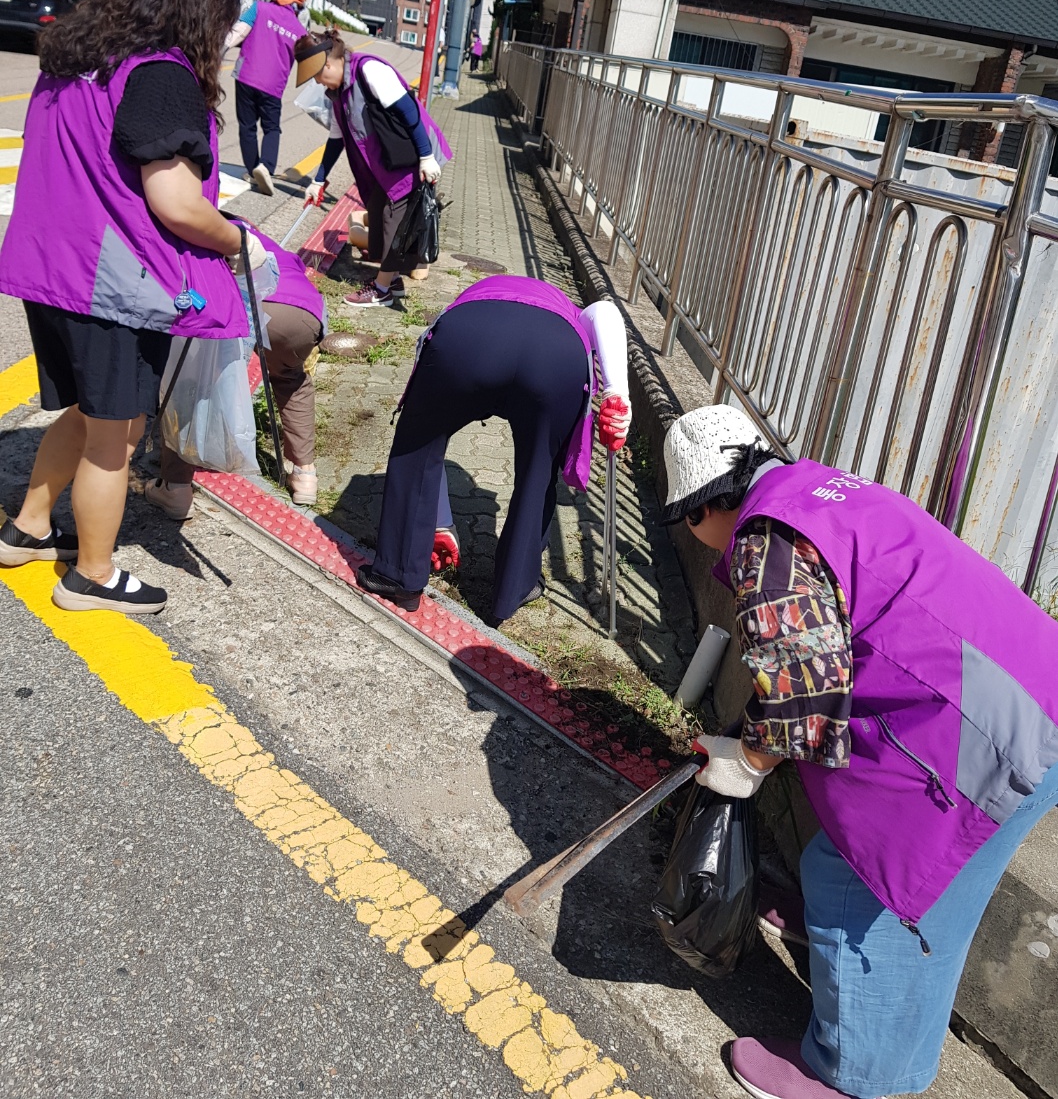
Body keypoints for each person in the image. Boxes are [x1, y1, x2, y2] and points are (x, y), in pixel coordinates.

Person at [659, 403, 1058, 1099]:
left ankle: (853, 1073)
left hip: (988, 731)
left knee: (862, 882)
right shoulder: (817, 489)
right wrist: (753, 735)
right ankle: (842, 955)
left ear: (700, 511)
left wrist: (747, 763)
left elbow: (805, 695)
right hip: (1030, 686)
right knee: (871, 866)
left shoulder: (764, 542)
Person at [0, 0, 265, 614]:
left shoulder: (77, 59)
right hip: (109, 284)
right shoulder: (161, 74)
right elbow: (176, 204)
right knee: (114, 435)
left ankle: (29, 527)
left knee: (90, 412)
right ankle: (92, 575)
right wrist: (238, 240)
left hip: (49, 269)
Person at [356, 274, 632, 623]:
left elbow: (423, 361)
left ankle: (400, 576)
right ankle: (514, 589)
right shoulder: (572, 310)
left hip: (469, 338)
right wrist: (617, 392)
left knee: (419, 444)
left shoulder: (471, 298)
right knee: (538, 473)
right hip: (556, 356)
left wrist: (440, 522)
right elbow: (605, 311)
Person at [146, 221, 326, 512]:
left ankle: (175, 488)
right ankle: (305, 475)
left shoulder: (196, 230)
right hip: (299, 312)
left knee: (192, 383)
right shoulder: (250, 234)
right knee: (289, 377)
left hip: (239, 304)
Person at [293, 32, 452, 308]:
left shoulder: (369, 71)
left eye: (317, 76)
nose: (318, 82)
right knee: (377, 208)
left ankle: (382, 290)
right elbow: (336, 138)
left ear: (328, 64)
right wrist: (319, 180)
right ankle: (393, 280)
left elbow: (409, 111)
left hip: (410, 152)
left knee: (395, 217)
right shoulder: (339, 93)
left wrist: (426, 156)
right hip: (389, 158)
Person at [228, 0, 310, 195]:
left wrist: (215, 52)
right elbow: (308, 62)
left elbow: (237, 34)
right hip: (274, 86)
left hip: (246, 76)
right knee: (272, 128)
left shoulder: (259, 8)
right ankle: (266, 166)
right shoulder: (300, 31)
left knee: (247, 126)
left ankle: (252, 170)